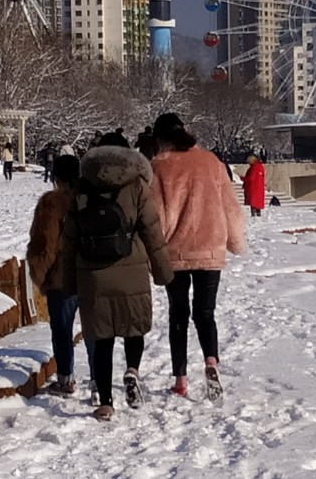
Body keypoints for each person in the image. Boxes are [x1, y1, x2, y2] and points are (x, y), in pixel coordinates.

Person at [66, 131, 172, 421]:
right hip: (132, 266)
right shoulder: (136, 185)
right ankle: (132, 370)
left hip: (92, 271)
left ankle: (105, 401)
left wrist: (66, 280)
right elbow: (151, 229)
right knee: (133, 327)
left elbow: (69, 237)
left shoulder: (80, 185)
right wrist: (163, 271)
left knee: (102, 337)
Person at [150, 111, 245, 400]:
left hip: (175, 251)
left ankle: (180, 380)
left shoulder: (159, 166)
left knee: (178, 314)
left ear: (159, 139)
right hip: (210, 247)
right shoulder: (212, 162)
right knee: (206, 313)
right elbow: (230, 206)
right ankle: (211, 362)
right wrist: (235, 241)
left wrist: (154, 251)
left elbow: (157, 216)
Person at [26, 154, 90, 398]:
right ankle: (98, 380)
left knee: (62, 328)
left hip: (61, 276)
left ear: (56, 177)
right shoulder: (89, 199)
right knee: (93, 330)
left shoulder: (52, 203)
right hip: (89, 272)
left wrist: (39, 275)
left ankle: (66, 378)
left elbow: (45, 243)